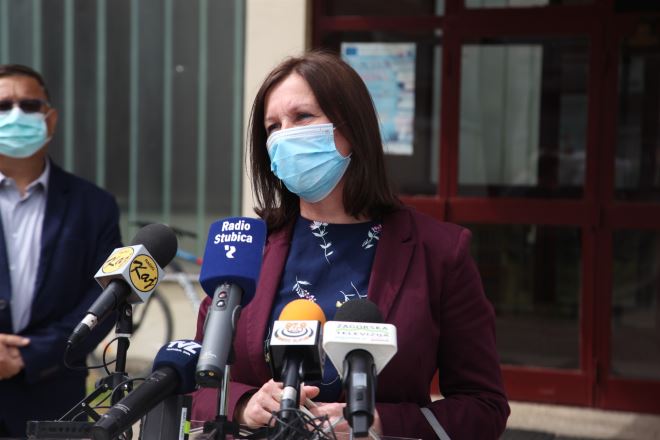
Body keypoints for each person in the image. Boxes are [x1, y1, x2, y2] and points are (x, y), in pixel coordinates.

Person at [191, 51, 509, 439]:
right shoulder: (244, 250)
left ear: (352, 129)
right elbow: (196, 385)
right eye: (273, 126)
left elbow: (484, 407)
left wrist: (377, 423)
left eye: (302, 117)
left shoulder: (440, 251)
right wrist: (244, 405)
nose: (284, 136)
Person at [0, 64, 121, 437]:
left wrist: (30, 354)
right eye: (3, 106)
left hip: (54, 401)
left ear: (50, 120)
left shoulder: (94, 206)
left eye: (29, 105)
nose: (16, 116)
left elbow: (104, 297)